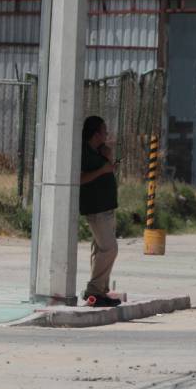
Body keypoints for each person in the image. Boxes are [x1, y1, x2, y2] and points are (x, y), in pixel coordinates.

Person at [79, 116, 121, 308]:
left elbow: (107, 169)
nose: (107, 134)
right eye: (104, 131)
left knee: (100, 250)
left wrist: (108, 157)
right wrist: (102, 170)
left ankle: (101, 291)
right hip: (96, 208)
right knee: (110, 248)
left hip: (107, 207)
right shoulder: (84, 152)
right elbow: (80, 178)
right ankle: (94, 290)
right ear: (96, 134)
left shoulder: (99, 151)